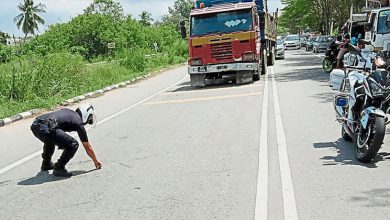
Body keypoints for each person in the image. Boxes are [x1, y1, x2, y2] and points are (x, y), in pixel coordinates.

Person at [31, 104, 102, 177]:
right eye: (89, 120)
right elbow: (87, 146)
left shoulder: (68, 112)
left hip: (36, 125)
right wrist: (95, 161)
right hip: (46, 129)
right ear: (86, 115)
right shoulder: (78, 122)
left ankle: (46, 164)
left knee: (51, 138)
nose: (88, 122)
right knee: (73, 144)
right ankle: (59, 167)